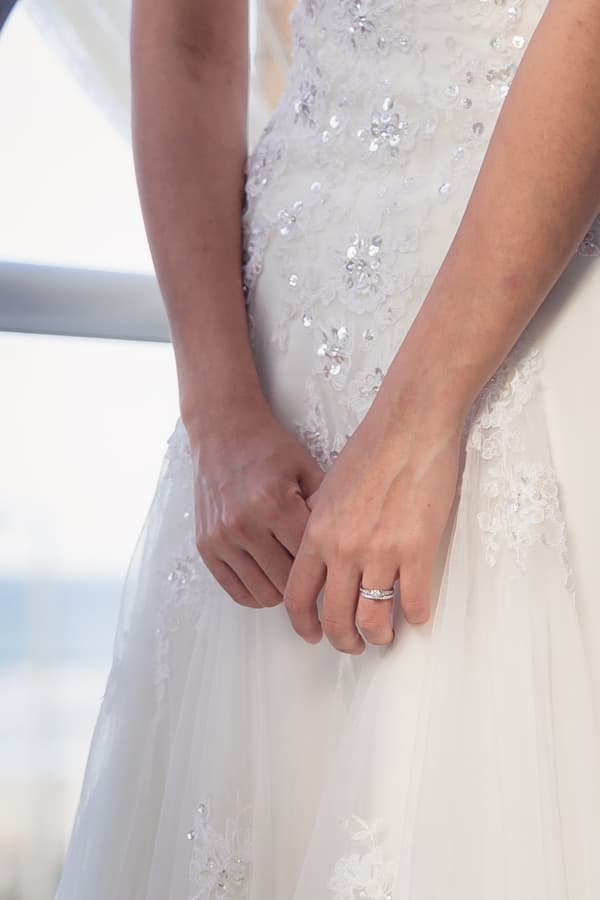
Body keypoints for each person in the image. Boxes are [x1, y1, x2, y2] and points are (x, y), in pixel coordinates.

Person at [55, 0, 600, 897]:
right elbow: (186, 34)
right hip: (280, 350)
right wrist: (218, 409)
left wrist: (422, 421)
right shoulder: (237, 407)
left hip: (537, 302)